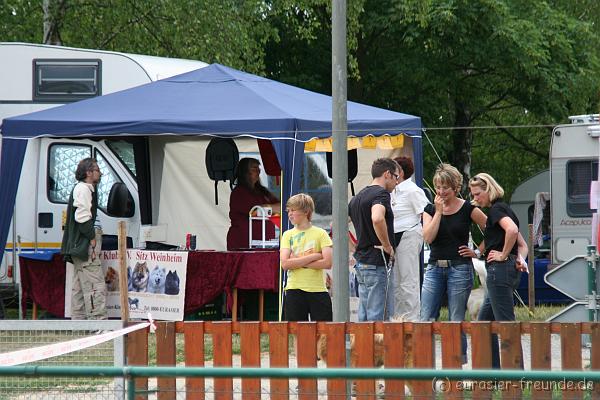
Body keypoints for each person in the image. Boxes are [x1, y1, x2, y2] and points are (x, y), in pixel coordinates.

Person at [420, 163, 487, 362]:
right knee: (426, 317)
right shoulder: (430, 209)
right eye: (438, 187)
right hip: (434, 268)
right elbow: (428, 238)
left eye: (445, 188)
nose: (441, 192)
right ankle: (424, 361)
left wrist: (477, 251)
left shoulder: (468, 208)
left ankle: (456, 362)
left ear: (456, 187)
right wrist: (439, 212)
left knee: (455, 319)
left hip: (459, 268)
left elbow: (491, 229)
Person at [469, 172, 528, 368]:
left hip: (499, 271)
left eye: (478, 194)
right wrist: (519, 260)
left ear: (489, 189)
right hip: (507, 270)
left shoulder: (497, 210)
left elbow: (511, 231)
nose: (475, 198)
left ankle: (517, 377)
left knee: (506, 325)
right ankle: (493, 374)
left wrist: (503, 255)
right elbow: (522, 245)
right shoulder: (506, 209)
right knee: (483, 325)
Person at [348, 158, 399, 321]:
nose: (397, 183)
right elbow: (377, 218)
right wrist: (387, 246)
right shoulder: (381, 194)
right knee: (378, 317)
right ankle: (374, 347)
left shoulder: (357, 197)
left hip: (362, 263)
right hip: (377, 263)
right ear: (387, 174)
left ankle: (362, 347)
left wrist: (354, 246)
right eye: (396, 177)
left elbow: (337, 225)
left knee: (364, 314)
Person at [60, 158, 107, 320]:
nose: (99, 173)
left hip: (81, 242)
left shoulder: (83, 188)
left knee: (79, 286)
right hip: (85, 242)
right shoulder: (84, 188)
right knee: (95, 283)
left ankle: (78, 325)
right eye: (97, 170)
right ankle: (99, 325)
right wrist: (92, 237)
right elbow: (82, 217)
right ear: (88, 173)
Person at [280, 193, 333, 321]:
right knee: (296, 334)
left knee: (323, 334)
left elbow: (327, 263)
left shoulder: (321, 233)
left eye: (293, 210)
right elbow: (285, 264)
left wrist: (296, 260)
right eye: (288, 211)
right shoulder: (287, 235)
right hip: (294, 289)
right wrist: (315, 256)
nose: (290, 214)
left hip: (318, 289)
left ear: (305, 211)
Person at [390, 156, 429, 321]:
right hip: (394, 236)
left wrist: (424, 233)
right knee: (397, 284)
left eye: (393, 170)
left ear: (401, 172)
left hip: (409, 235)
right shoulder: (392, 191)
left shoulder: (413, 190)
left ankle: (413, 321)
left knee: (409, 281)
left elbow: (426, 211)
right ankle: (399, 320)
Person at [226, 158, 280, 250]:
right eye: (254, 168)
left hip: (264, 243)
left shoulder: (262, 191)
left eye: (258, 168)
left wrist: (268, 208)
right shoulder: (239, 192)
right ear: (245, 171)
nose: (258, 171)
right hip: (244, 244)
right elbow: (256, 211)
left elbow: (280, 207)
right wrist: (269, 208)